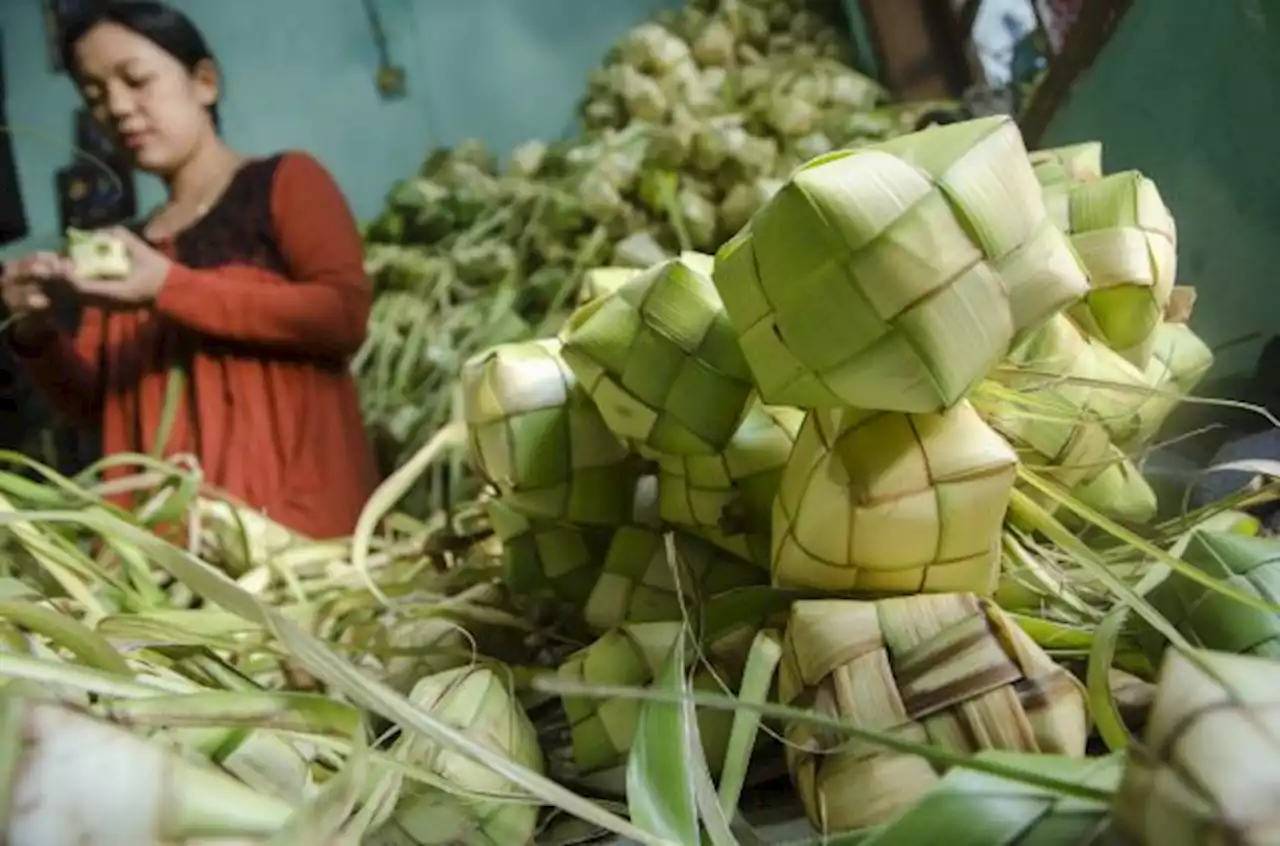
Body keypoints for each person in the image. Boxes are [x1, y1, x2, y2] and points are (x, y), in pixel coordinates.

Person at [0, 2, 380, 538]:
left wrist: (168, 286)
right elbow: (100, 406)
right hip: (171, 552)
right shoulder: (124, 246)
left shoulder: (285, 184)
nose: (118, 108)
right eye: (95, 95)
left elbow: (342, 317)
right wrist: (35, 333)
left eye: (136, 80)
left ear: (204, 82)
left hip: (292, 532)